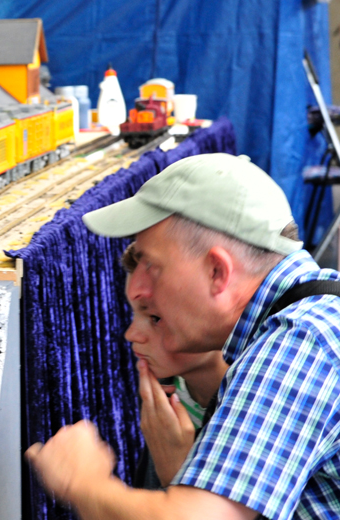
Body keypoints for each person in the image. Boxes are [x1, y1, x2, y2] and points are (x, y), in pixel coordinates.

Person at [27, 153, 340, 519]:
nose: (139, 289)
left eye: (152, 266)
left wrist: (83, 483)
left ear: (216, 272)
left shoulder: (302, 341)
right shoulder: (308, 316)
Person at [120, 244, 228, 488]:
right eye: (134, 314)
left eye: (155, 318)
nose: (131, 334)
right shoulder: (163, 397)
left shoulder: (252, 408)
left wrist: (176, 473)